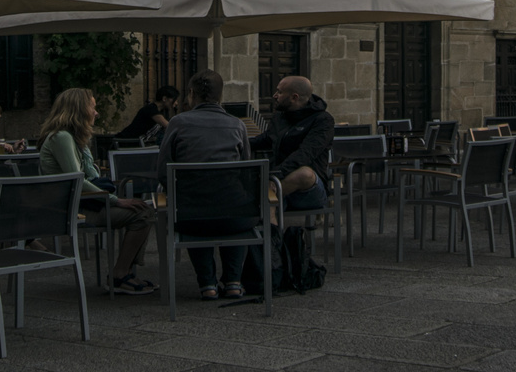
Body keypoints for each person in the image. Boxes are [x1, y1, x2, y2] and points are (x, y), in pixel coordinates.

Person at [39, 87, 158, 295]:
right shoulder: (61, 138)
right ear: (78, 110)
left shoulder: (73, 138)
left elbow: (90, 173)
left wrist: (85, 145)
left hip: (84, 202)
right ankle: (120, 274)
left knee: (143, 211)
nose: (96, 113)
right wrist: (115, 201)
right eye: (92, 108)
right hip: (73, 209)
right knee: (142, 213)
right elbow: (77, 180)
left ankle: (125, 272)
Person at [155, 70, 253, 300]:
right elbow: (247, 172)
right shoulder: (237, 125)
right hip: (235, 216)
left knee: (197, 200)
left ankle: (207, 284)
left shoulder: (178, 123)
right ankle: (233, 282)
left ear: (191, 93)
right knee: (231, 200)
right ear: (221, 96)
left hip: (191, 215)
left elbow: (162, 172)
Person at [250, 75, 334, 221]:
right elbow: (266, 139)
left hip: (309, 191)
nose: (274, 96)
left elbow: (305, 154)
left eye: (280, 92)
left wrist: (276, 175)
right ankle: (271, 224)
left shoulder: (322, 120)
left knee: (304, 173)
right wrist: (236, 141)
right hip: (279, 185)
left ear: (294, 97)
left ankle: (267, 206)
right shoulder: (280, 117)